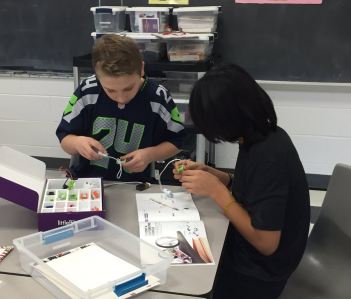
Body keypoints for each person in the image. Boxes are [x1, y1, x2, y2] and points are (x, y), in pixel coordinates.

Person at [173, 64, 310, 299]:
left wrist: (217, 192)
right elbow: (257, 189)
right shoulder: (261, 135)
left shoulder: (268, 155)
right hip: (253, 256)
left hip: (261, 272)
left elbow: (267, 243)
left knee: (191, 277)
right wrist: (221, 178)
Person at [56, 34, 185, 181]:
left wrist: (150, 154)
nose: (121, 99)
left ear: (142, 69)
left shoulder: (158, 97)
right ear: (98, 76)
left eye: (128, 88)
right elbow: (65, 139)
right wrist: (77, 143)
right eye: (110, 90)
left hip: (136, 184)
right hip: (87, 181)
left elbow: (177, 141)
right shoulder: (87, 91)